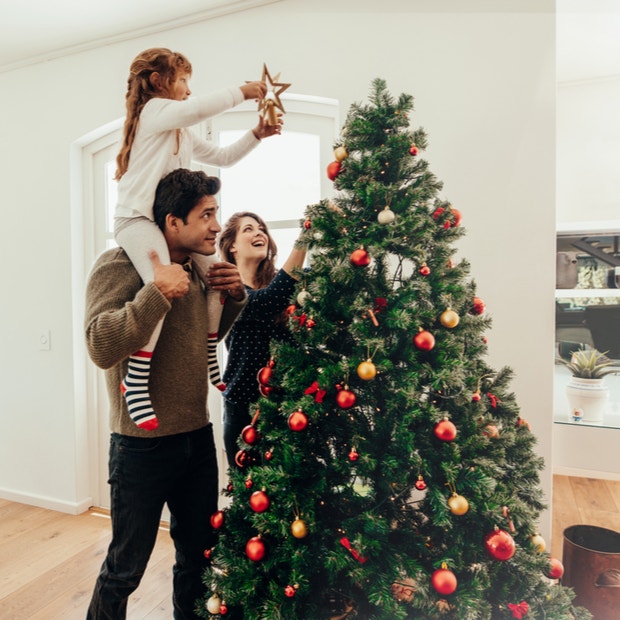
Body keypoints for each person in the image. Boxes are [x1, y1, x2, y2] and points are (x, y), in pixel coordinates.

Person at [85, 168, 247, 620]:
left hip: (196, 439)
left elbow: (198, 341)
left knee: (197, 558)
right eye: (207, 215)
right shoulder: (117, 266)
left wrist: (233, 298)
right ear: (172, 222)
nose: (218, 225)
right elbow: (100, 345)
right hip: (140, 446)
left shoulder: (200, 271)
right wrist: (155, 293)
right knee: (125, 569)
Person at [114, 47, 282, 430]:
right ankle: (136, 378)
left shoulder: (181, 133)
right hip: (137, 220)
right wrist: (243, 91)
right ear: (160, 82)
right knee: (165, 283)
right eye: (184, 80)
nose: (189, 90)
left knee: (217, 276)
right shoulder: (153, 112)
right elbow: (196, 109)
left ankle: (211, 356)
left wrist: (256, 134)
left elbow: (222, 157)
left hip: (163, 222)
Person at [217, 212, 307, 468]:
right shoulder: (227, 289)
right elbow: (266, 301)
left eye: (261, 229)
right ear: (232, 245)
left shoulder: (286, 284)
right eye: (248, 229)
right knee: (250, 493)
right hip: (244, 408)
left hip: (289, 404)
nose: (259, 233)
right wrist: (306, 235)